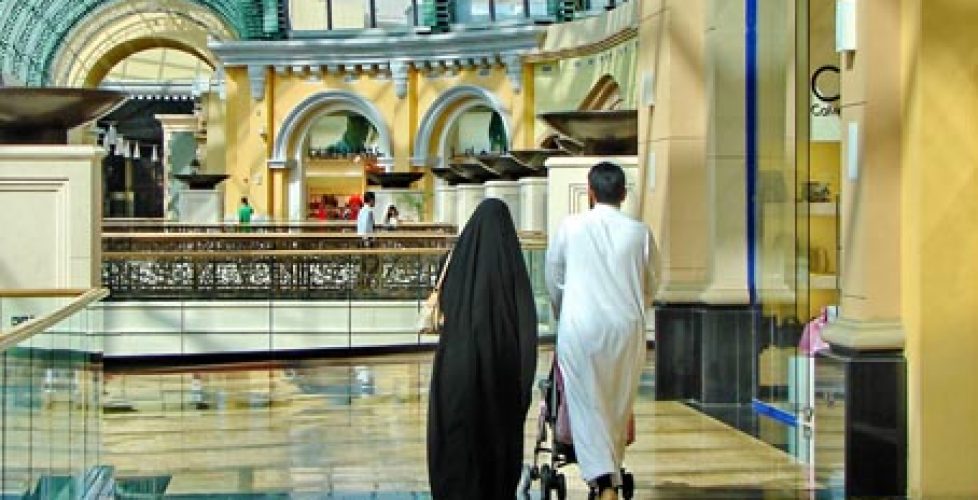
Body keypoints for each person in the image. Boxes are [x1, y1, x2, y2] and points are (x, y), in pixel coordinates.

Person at [545, 162, 658, 500]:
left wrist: (560, 312)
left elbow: (553, 276)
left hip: (580, 327)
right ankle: (610, 471)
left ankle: (604, 480)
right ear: (624, 193)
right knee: (617, 402)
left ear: (590, 192)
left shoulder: (571, 227)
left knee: (585, 401)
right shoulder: (640, 232)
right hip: (626, 328)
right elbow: (652, 282)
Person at [427, 199, 538, 500]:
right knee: (494, 446)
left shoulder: (454, 262)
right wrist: (523, 388)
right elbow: (527, 330)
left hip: (454, 370)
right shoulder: (513, 269)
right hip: (499, 373)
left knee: (457, 441)